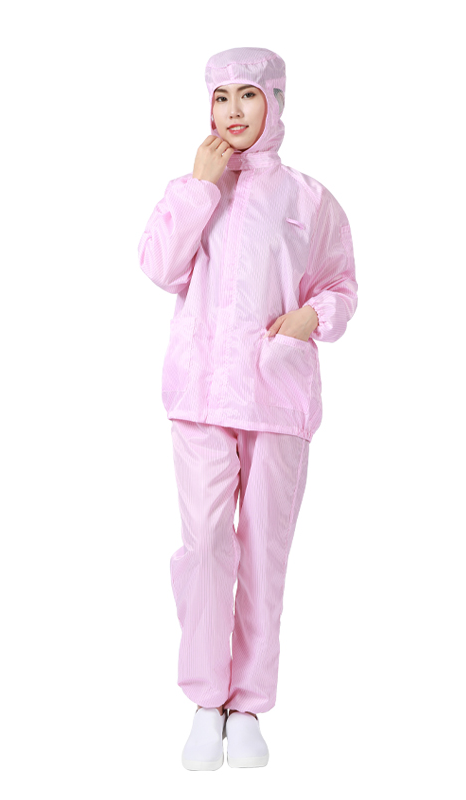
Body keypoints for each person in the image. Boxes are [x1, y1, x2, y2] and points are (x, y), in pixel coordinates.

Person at [137, 47, 358, 770]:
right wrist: (199, 188)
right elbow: (159, 267)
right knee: (205, 545)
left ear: (277, 102)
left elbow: (341, 285)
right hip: (200, 395)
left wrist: (311, 318)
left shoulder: (309, 199)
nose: (233, 111)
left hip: (278, 395)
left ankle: (249, 704)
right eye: (221, 96)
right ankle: (206, 698)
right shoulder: (194, 186)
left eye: (249, 95)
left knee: (265, 552)